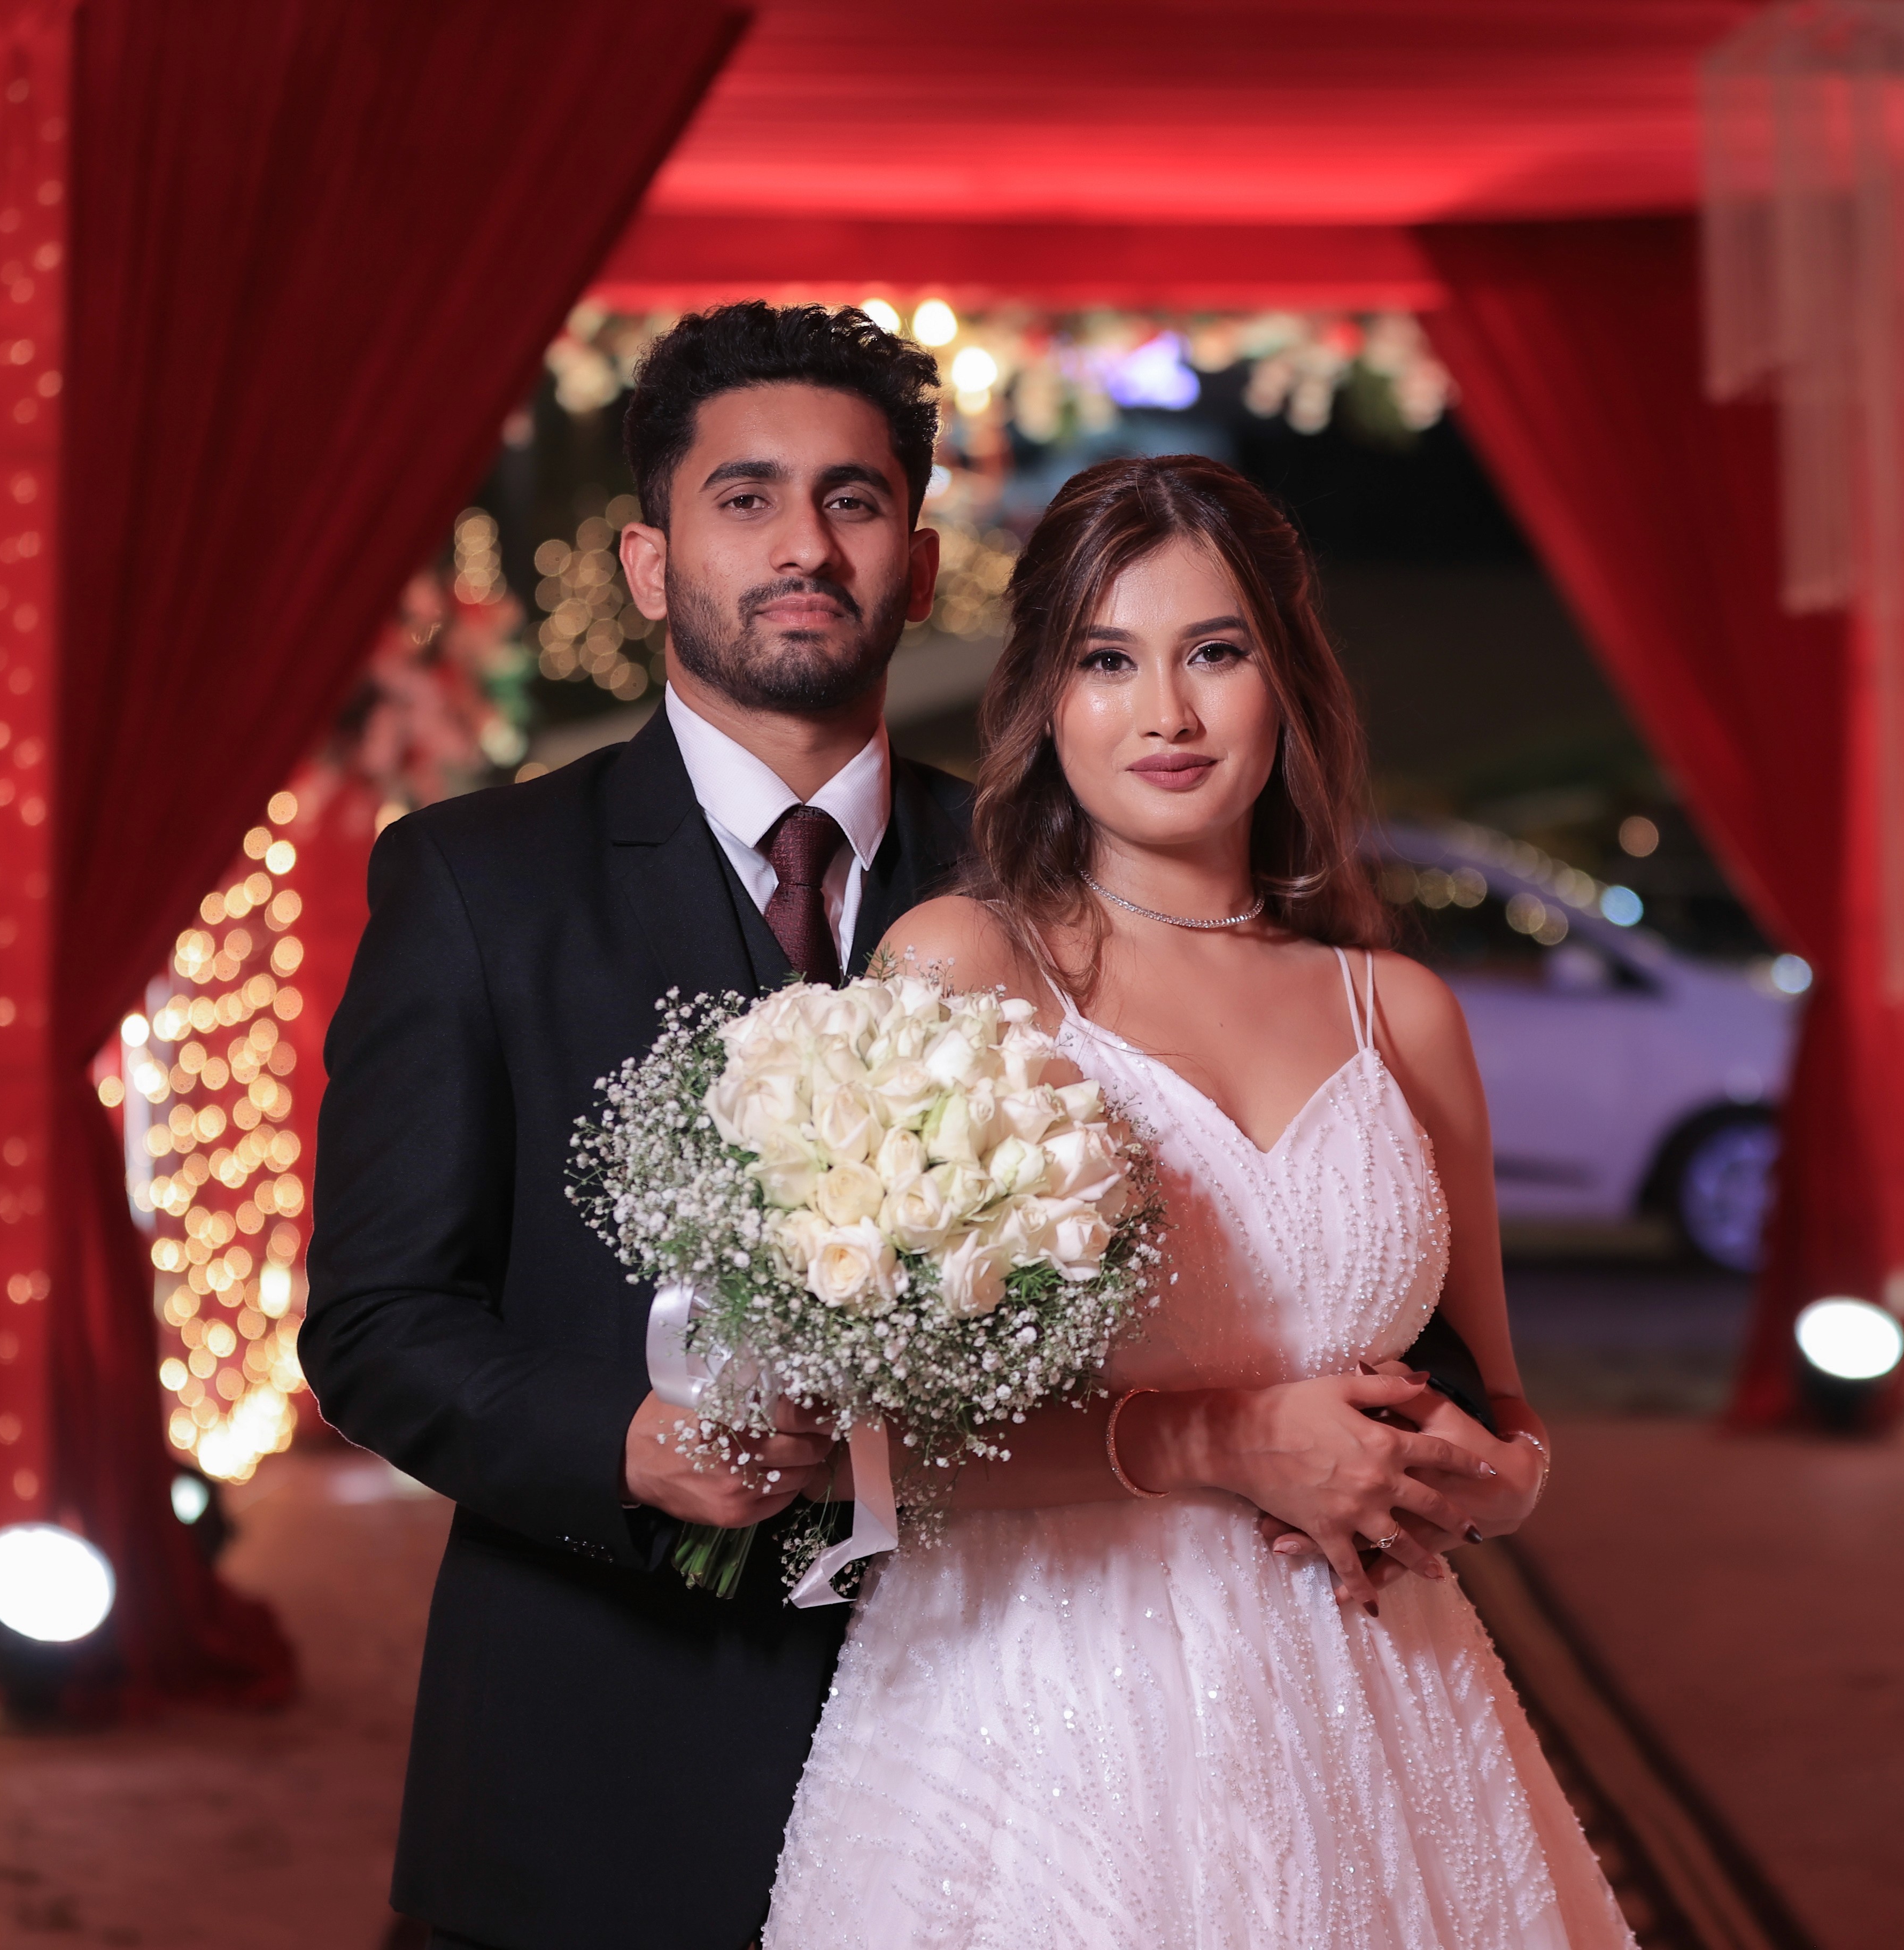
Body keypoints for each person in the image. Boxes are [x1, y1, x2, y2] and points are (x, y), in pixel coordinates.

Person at [305, 305, 1508, 1950]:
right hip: (609, 1749)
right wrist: (634, 1446)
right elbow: (378, 1322)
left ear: (924, 565)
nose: (806, 544)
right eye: (746, 499)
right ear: (653, 563)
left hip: (1030, 1732)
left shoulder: (1056, 884)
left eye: (854, 501)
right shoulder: (478, 884)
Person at [764, 455, 1632, 1948]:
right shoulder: (965, 972)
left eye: (1214, 654)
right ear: (1046, 699)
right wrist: (1220, 1438)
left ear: (1285, 682)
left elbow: (1503, 1404)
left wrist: (1502, 1479)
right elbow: (855, 1443)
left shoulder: (1397, 1013)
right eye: (1109, 661)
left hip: (1378, 1697)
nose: (1165, 713)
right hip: (1042, 1720)